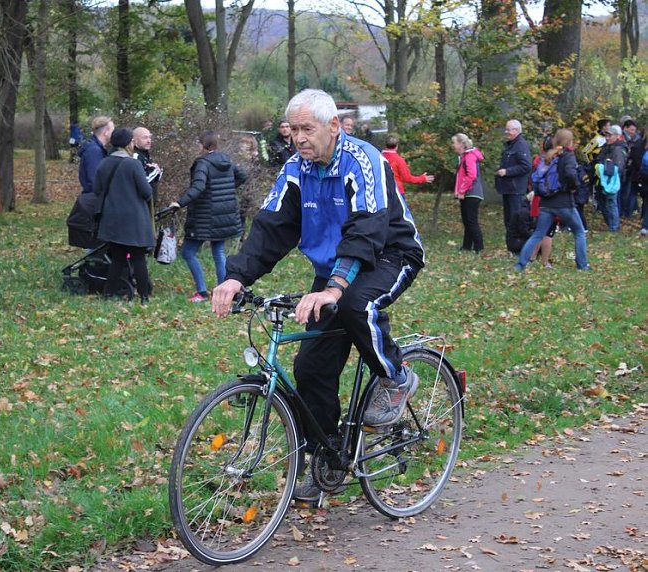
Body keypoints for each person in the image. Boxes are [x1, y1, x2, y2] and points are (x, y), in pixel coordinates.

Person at [211, 89, 425, 502]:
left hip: (389, 254)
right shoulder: (296, 169)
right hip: (334, 269)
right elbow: (271, 226)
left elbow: (367, 227)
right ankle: (326, 458)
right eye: (293, 131)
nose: (299, 139)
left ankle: (396, 377)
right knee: (311, 369)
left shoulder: (364, 161)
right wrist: (237, 277)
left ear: (333, 126)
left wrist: (334, 287)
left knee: (354, 304)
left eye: (307, 129)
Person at [171, 131, 248, 302]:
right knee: (218, 251)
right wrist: (227, 189)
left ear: (203, 145)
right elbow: (242, 176)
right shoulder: (226, 160)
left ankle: (202, 292)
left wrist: (180, 202)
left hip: (205, 216)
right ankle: (222, 291)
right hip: (224, 214)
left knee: (188, 252)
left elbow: (198, 187)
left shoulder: (202, 163)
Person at [93, 128, 155, 303]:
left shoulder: (104, 163)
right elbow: (146, 192)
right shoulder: (133, 164)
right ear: (129, 143)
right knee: (138, 258)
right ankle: (144, 297)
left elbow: (97, 189)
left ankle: (108, 294)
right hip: (134, 219)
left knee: (117, 258)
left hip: (112, 218)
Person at [515, 129, 589, 271]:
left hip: (545, 202)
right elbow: (571, 174)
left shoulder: (548, 156)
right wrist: (575, 186)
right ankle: (583, 265)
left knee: (538, 234)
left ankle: (520, 265)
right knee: (579, 232)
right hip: (564, 202)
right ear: (569, 141)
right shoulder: (568, 156)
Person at [67, 116, 115, 249]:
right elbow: (95, 180)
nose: (114, 133)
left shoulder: (96, 149)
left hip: (95, 199)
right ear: (106, 132)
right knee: (95, 244)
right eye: (112, 129)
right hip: (94, 201)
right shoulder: (94, 151)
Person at [495, 119, 532, 246]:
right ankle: (511, 244)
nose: (506, 132)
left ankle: (519, 245)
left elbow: (526, 166)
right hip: (508, 188)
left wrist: (507, 171)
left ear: (516, 130)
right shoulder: (511, 145)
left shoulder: (521, 145)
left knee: (515, 218)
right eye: (506, 129)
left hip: (516, 189)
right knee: (509, 219)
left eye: (509, 129)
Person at [452, 133, 485, 253]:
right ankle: (466, 246)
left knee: (471, 220)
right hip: (468, 193)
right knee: (467, 220)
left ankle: (479, 247)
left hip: (471, 193)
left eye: (454, 143)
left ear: (461, 144)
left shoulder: (469, 156)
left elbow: (472, 175)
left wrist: (462, 190)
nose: (453, 145)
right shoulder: (464, 156)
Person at [595, 125, 627, 232]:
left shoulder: (618, 149)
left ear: (617, 136)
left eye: (610, 136)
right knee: (604, 203)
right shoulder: (607, 147)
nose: (607, 138)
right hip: (604, 180)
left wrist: (604, 169)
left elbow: (619, 167)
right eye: (606, 136)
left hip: (612, 181)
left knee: (611, 203)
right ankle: (611, 224)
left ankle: (614, 227)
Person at [132, 126, 163, 213]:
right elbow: (141, 179)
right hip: (140, 204)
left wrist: (157, 172)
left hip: (150, 203)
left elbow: (152, 180)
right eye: (145, 138)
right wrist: (154, 170)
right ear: (135, 140)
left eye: (149, 137)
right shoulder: (135, 156)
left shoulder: (146, 155)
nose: (149, 141)